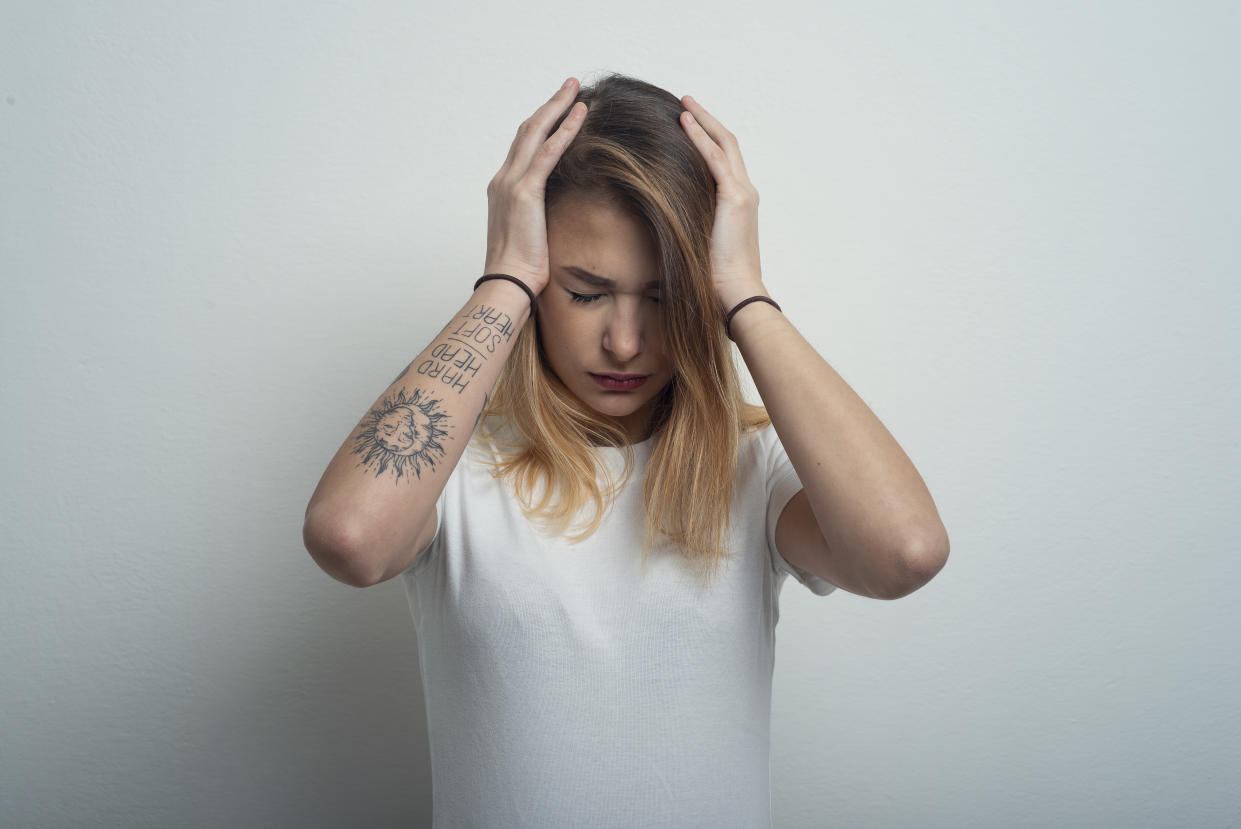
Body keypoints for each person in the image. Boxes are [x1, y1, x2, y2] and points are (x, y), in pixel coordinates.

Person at [303, 72, 950, 828]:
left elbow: (905, 552)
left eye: (666, 295)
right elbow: (348, 538)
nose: (625, 341)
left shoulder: (755, 467)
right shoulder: (455, 471)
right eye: (584, 292)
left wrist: (743, 290)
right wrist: (504, 277)